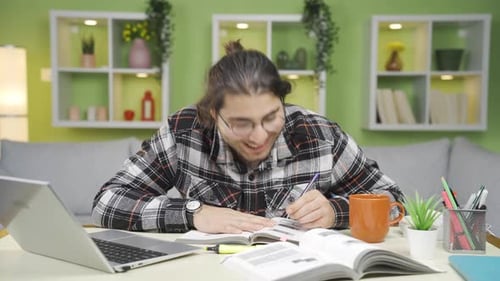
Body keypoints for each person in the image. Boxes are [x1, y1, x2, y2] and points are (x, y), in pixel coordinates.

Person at [91, 40, 404, 234]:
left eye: (271, 117)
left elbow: (393, 203)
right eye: (241, 123)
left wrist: (336, 211)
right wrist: (192, 213)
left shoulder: (320, 134)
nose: (259, 136)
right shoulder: (184, 132)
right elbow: (107, 203)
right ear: (214, 114)